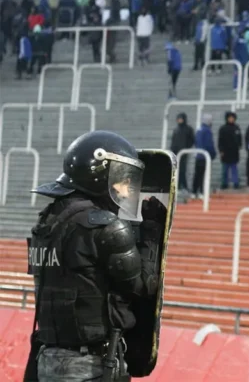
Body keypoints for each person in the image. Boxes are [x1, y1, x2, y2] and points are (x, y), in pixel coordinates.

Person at [28, 131, 163, 381]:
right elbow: (144, 286)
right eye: (122, 178)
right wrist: (153, 231)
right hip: (90, 365)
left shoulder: (47, 221)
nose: (126, 188)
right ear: (99, 173)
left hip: (46, 359)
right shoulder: (104, 226)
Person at [192, 113, 216, 199]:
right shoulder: (207, 131)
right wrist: (213, 154)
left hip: (198, 155)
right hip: (205, 156)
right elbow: (209, 144)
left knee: (197, 174)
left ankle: (194, 192)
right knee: (204, 175)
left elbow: (196, 142)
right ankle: (202, 192)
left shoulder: (199, 130)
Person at [170, 113, 195, 192]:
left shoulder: (188, 129)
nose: (180, 120)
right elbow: (173, 141)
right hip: (176, 153)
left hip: (183, 153)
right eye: (179, 118)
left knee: (183, 170)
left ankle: (184, 185)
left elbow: (192, 140)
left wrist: (187, 148)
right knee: (176, 170)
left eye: (181, 118)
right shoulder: (176, 129)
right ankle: (178, 185)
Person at [217, 111, 242, 189]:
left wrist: (239, 146)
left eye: (232, 118)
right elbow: (220, 141)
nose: (231, 119)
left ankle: (236, 183)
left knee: (234, 169)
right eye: (230, 118)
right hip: (225, 152)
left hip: (234, 152)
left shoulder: (237, 128)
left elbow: (240, 139)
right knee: (225, 169)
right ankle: (224, 183)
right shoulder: (223, 128)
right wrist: (221, 150)